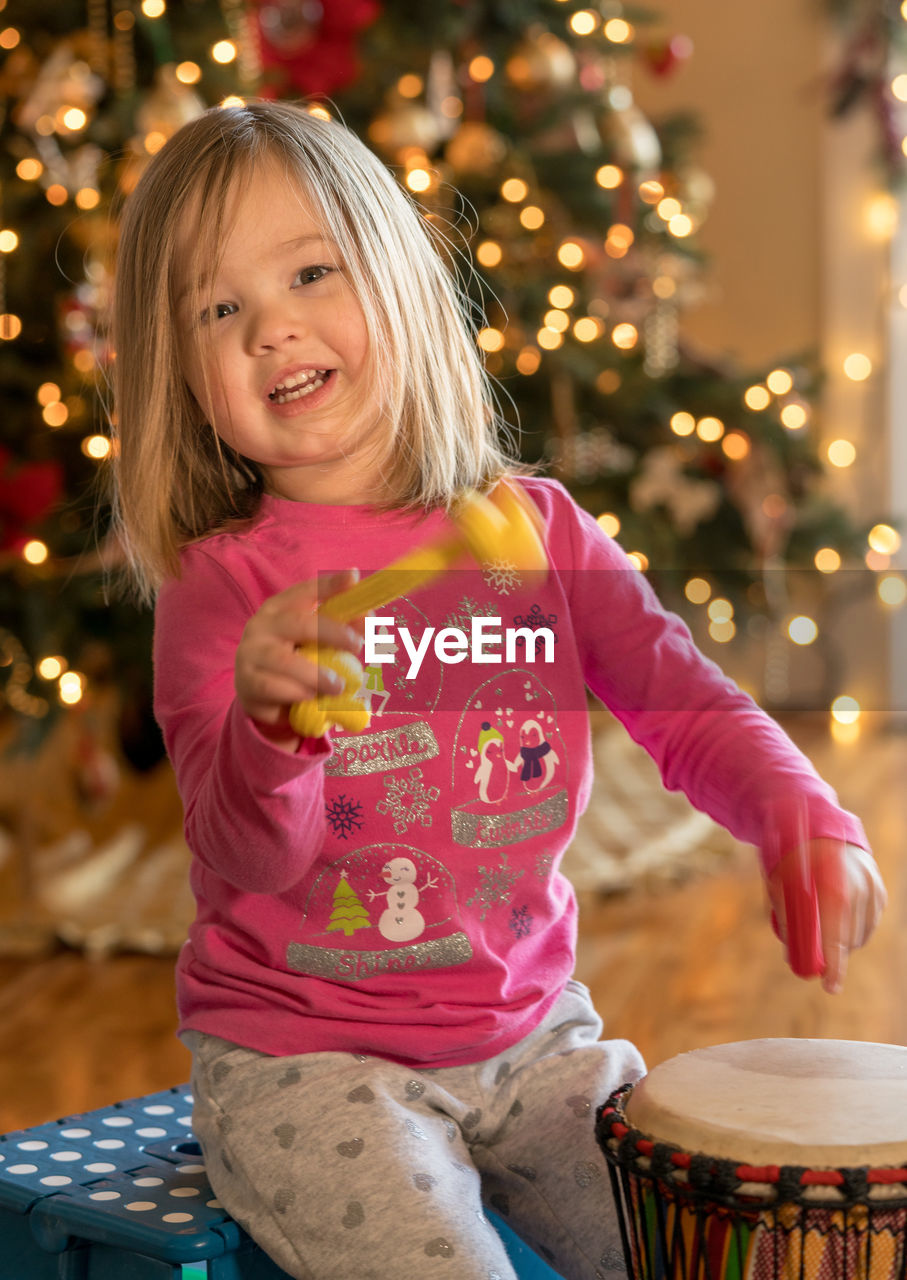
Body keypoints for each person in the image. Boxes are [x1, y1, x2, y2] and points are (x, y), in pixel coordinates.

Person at [109, 101, 885, 1280]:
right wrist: (273, 734)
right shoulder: (224, 588)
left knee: (685, 1243)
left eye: (311, 271)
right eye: (221, 308)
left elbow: (682, 695)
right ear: (184, 368)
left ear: (401, 284)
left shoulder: (533, 531)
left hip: (534, 1037)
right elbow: (244, 853)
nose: (273, 327)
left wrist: (797, 810)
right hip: (307, 1058)